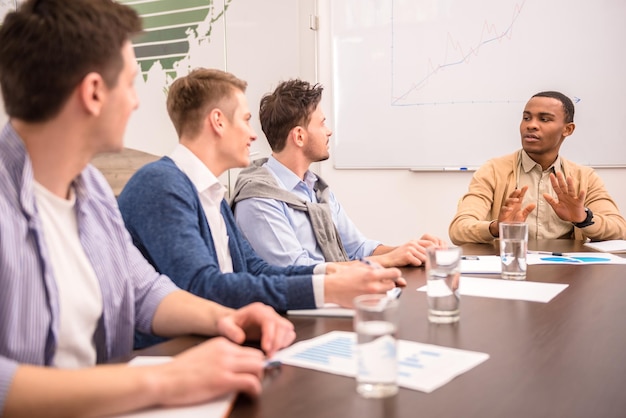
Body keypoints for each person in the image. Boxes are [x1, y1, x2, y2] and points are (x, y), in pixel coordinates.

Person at [0, 1, 297, 416]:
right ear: (93, 93)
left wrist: (224, 318)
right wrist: (164, 380)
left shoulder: (94, 194)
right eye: (130, 84)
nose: (137, 103)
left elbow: (142, 290)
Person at [117, 69, 403, 333]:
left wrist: (332, 271)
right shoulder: (161, 184)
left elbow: (257, 268)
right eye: (245, 120)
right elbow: (202, 287)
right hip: (174, 351)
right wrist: (326, 288)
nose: (254, 135)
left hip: (222, 336)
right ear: (218, 121)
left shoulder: (210, 192)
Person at [230, 79, 446, 268]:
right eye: (322, 123)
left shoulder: (315, 188)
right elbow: (298, 271)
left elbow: (358, 247)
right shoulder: (258, 200)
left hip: (333, 293)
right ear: (299, 136)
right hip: (297, 309)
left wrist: (410, 250)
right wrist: (389, 260)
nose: (329, 131)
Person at [448, 91, 626, 245]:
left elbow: (619, 228)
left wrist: (583, 218)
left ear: (568, 129)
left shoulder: (584, 177)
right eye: (526, 118)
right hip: (512, 267)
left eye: (544, 119)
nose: (530, 125)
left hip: (567, 272)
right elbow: (459, 229)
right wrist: (497, 228)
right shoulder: (493, 170)